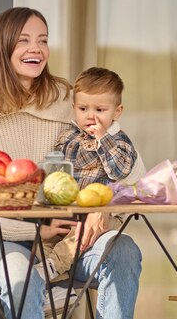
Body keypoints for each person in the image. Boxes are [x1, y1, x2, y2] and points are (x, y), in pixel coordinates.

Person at [0, 7, 143, 319]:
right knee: (20, 278)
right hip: (5, 244)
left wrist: (105, 209)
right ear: (2, 48)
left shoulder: (69, 102)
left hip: (73, 239)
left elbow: (130, 169)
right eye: (24, 40)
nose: (36, 49)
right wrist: (36, 234)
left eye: (43, 40)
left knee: (123, 252)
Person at [38, 66, 145, 281]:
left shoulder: (118, 141)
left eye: (100, 110)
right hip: (70, 212)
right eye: (83, 109)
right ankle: (52, 282)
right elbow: (58, 169)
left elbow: (121, 169)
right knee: (48, 237)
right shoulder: (69, 136)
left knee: (78, 232)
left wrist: (102, 140)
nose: (91, 117)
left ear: (117, 111)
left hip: (103, 217)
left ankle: (54, 268)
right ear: (74, 108)